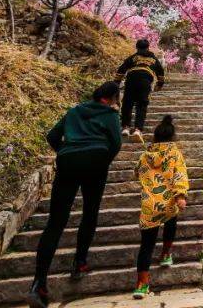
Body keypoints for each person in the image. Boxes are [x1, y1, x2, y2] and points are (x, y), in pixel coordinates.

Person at [27, 81, 122, 308]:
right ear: (110, 98)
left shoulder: (74, 111)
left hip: (68, 161)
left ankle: (38, 283)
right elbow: (116, 144)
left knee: (55, 222)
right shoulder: (110, 115)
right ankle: (79, 262)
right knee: (90, 213)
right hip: (95, 162)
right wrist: (102, 159)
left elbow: (52, 136)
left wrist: (67, 151)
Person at [132, 115, 189, 298]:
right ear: (172, 137)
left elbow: (136, 173)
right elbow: (179, 174)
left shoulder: (145, 155)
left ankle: (141, 285)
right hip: (169, 201)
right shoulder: (174, 153)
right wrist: (180, 195)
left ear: (155, 137)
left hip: (149, 203)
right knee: (171, 222)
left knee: (146, 245)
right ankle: (165, 254)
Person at [114, 38, 165, 138]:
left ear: (137, 47)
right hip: (146, 81)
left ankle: (125, 127)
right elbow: (161, 73)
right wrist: (159, 85)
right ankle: (138, 129)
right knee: (142, 104)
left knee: (127, 103)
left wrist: (116, 82)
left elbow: (121, 69)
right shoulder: (154, 59)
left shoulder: (133, 57)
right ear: (148, 48)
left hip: (131, 78)